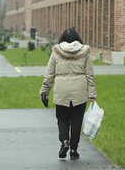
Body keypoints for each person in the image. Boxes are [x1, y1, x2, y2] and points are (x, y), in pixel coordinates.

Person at [40, 27, 96, 160]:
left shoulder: (56, 52)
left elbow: (49, 74)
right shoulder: (85, 52)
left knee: (62, 118)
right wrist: (92, 93)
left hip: (61, 90)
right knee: (77, 120)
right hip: (80, 90)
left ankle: (64, 141)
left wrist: (44, 91)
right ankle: (73, 149)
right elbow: (90, 74)